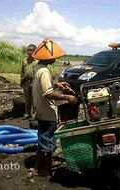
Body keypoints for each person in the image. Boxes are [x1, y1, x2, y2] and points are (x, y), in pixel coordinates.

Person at [32, 39, 78, 176]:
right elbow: (48, 93)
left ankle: (45, 164)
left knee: (44, 138)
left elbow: (44, 87)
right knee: (47, 140)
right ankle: (41, 168)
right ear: (48, 58)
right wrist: (66, 97)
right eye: (54, 57)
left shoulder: (38, 67)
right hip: (47, 111)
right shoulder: (45, 71)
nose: (56, 59)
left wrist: (58, 85)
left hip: (41, 109)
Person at [20, 44, 37, 120]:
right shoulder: (24, 60)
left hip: (34, 82)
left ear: (34, 51)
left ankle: (34, 114)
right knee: (27, 99)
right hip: (26, 82)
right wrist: (22, 79)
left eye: (31, 50)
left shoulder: (37, 61)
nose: (29, 52)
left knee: (34, 99)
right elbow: (22, 71)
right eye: (28, 50)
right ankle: (27, 113)